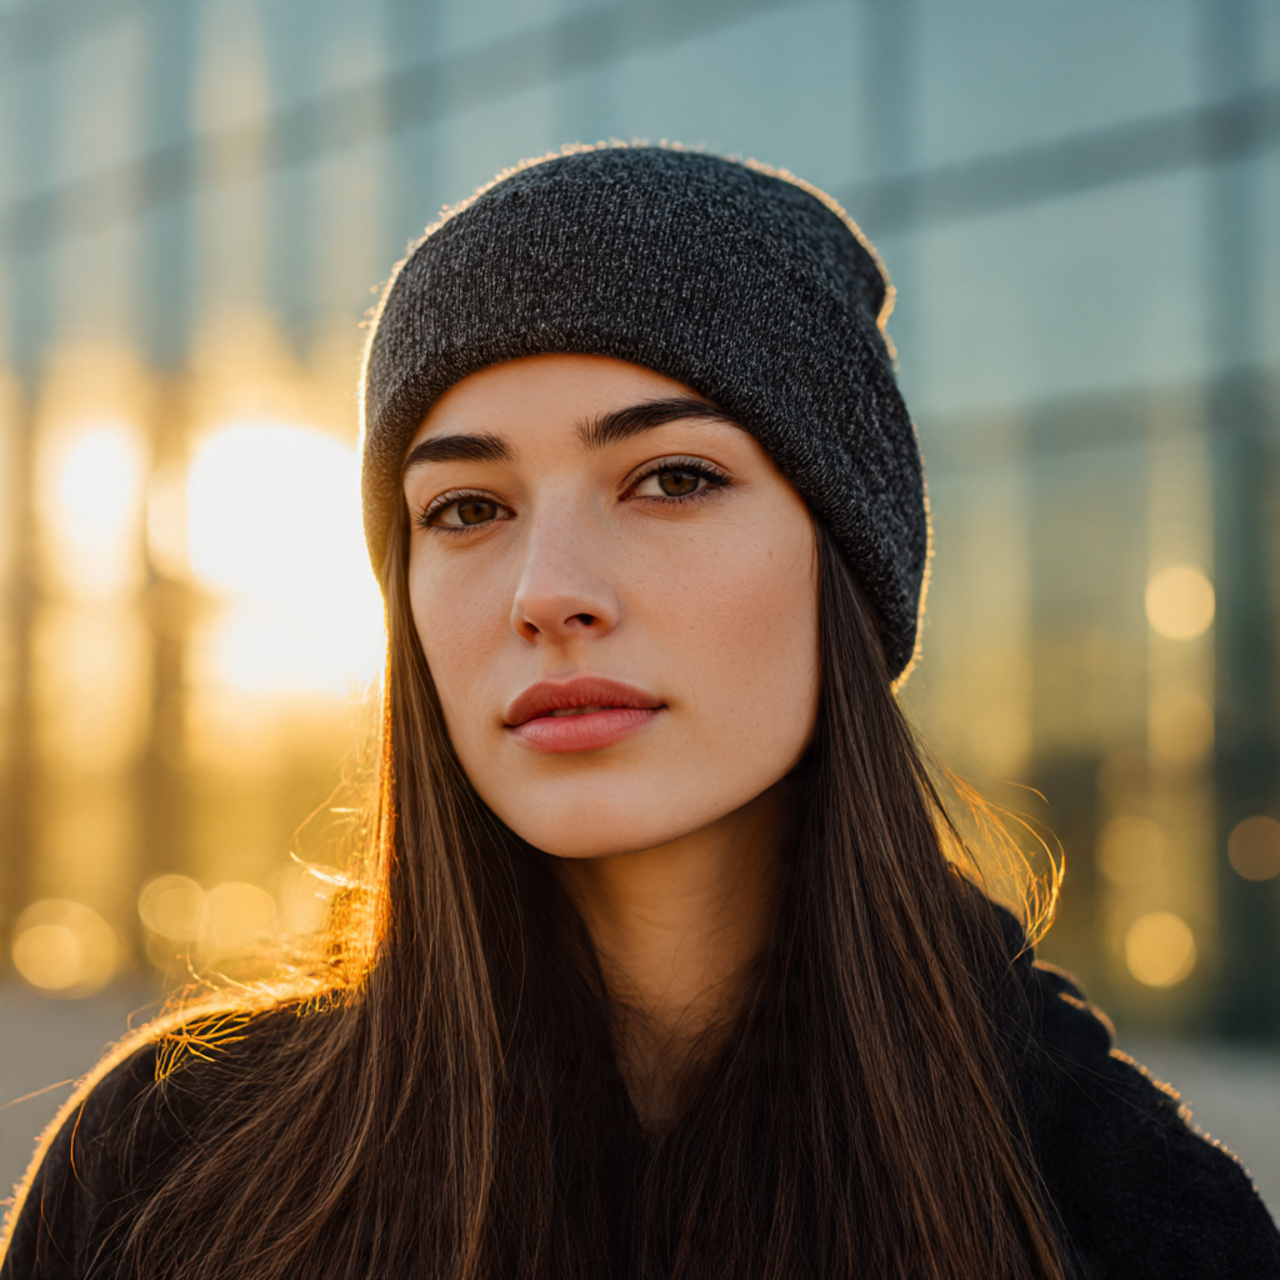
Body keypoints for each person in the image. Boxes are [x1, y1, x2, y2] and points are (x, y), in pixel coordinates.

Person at [2, 145, 1277, 1280]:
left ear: (845, 558)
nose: (549, 593)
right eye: (465, 508)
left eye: (671, 476)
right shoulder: (165, 1164)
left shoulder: (1128, 1214)